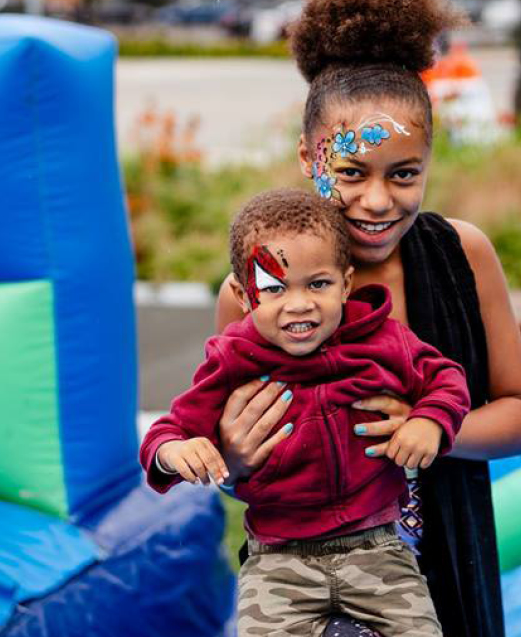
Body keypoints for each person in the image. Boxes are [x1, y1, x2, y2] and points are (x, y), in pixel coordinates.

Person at [212, 0, 521, 637]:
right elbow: (233, 463)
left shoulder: (463, 256)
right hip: (306, 586)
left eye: (404, 174)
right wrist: (233, 458)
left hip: (446, 563)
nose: (376, 200)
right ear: (308, 157)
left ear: (429, 159)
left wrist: (430, 428)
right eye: (350, 171)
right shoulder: (257, 286)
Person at [139, 188, 472, 636]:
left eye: (318, 284)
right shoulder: (234, 359)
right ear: (242, 295)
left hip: (376, 551)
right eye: (274, 288)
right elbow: (169, 430)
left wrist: (430, 419)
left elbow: (446, 377)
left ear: (346, 284)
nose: (299, 303)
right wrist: (174, 452)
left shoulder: (381, 340)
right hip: (278, 563)